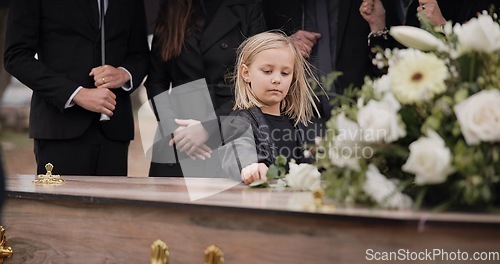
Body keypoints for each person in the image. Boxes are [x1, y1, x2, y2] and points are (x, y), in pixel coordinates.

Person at [4, 0, 150, 176]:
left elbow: (140, 54)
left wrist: (124, 74)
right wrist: (76, 94)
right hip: (59, 127)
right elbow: (16, 57)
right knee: (60, 203)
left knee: (111, 204)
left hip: (114, 130)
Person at [145, 0, 265, 177]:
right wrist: (173, 128)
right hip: (178, 134)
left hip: (229, 125)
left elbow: (258, 81)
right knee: (168, 202)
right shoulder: (172, 7)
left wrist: (209, 128)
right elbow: (156, 80)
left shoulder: (247, 7)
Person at [261, 0, 374, 143]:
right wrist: (284, 46)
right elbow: (252, 49)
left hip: (360, 118)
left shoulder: (366, 4)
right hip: (294, 124)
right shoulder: (271, 4)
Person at [220, 31, 319, 184]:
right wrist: (250, 167)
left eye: (285, 73)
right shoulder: (238, 121)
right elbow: (238, 150)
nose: (277, 79)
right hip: (258, 203)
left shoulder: (299, 123)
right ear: (246, 73)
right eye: (267, 71)